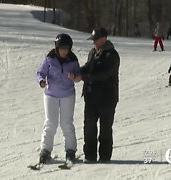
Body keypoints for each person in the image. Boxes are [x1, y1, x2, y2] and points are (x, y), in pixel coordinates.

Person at [70, 27, 120, 163]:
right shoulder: (93, 52)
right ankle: (90, 155)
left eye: (96, 40)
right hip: (91, 96)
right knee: (89, 126)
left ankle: (104, 156)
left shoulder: (112, 55)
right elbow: (88, 66)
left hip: (107, 97)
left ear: (104, 38)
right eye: (93, 40)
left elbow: (103, 75)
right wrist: (77, 72)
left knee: (105, 128)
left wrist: (83, 77)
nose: (94, 43)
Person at [36, 33, 81, 164]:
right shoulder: (50, 58)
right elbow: (41, 72)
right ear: (57, 47)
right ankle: (45, 151)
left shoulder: (73, 59)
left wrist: (75, 77)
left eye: (66, 48)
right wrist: (41, 81)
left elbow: (79, 76)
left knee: (66, 123)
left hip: (68, 95)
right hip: (51, 94)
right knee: (50, 123)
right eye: (61, 48)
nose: (64, 51)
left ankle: (70, 151)